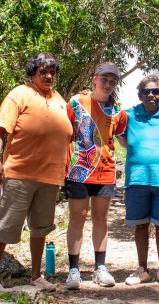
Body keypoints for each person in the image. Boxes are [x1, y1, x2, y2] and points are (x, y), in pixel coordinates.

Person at [0, 53, 73, 290]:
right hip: (19, 174)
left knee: (40, 229)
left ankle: (35, 276)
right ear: (33, 72)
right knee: (6, 227)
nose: (49, 76)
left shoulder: (59, 98)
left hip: (50, 177)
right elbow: (1, 131)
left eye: (52, 71)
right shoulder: (19, 94)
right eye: (43, 71)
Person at [64, 63, 127, 289]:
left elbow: (121, 138)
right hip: (78, 170)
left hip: (105, 171)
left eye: (113, 80)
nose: (108, 84)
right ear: (95, 79)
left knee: (100, 219)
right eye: (104, 79)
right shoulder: (75, 102)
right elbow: (64, 132)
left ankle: (100, 268)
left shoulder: (118, 110)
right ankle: (73, 271)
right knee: (77, 218)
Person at [120, 75, 159, 287]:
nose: (151, 95)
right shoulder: (130, 114)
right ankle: (142, 270)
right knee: (141, 226)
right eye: (146, 92)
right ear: (140, 95)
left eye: (156, 92)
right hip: (137, 178)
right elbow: (121, 138)